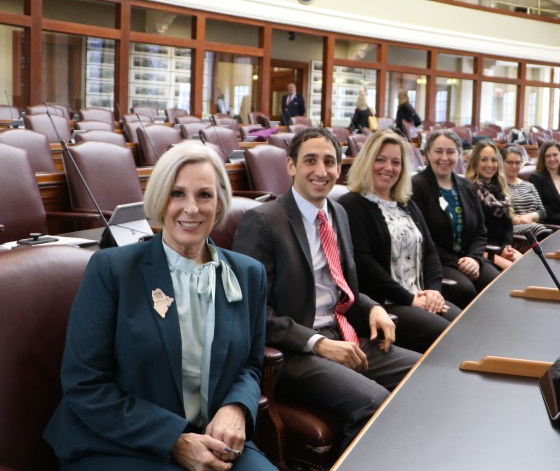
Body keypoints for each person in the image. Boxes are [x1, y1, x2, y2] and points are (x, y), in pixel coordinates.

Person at [44, 141, 274, 471]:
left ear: (220, 201)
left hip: (211, 439)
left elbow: (251, 366)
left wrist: (237, 407)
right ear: (158, 199)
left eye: (204, 195)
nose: (191, 208)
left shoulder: (249, 274)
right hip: (119, 441)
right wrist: (174, 439)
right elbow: (85, 384)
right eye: (177, 193)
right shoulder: (111, 270)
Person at [232, 127, 419, 452]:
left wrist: (372, 306)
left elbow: (343, 289)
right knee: (375, 403)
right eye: (310, 161)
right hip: (291, 353)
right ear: (290, 166)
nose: (321, 171)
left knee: (426, 375)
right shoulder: (262, 221)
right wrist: (317, 344)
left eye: (329, 162)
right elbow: (253, 313)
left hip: (344, 335)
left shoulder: (337, 213)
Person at [339, 130, 460, 353]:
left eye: (396, 162)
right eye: (381, 160)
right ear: (367, 161)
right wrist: (410, 299)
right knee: (448, 336)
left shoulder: (406, 202)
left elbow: (430, 251)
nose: (389, 168)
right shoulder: (352, 204)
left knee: (465, 323)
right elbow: (364, 265)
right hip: (386, 304)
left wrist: (433, 291)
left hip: (419, 296)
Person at [411, 129, 498, 309]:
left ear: (459, 154)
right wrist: (458, 263)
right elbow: (421, 238)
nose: (444, 157)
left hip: (469, 258)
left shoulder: (467, 186)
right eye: (438, 151)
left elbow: (480, 231)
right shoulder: (416, 186)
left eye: (450, 152)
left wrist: (474, 258)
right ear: (427, 154)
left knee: (498, 282)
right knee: (464, 289)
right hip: (438, 261)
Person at [465, 140, 522, 270]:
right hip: (481, 250)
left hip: (499, 248)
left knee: (527, 265)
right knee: (514, 271)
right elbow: (472, 232)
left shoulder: (500, 189)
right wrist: (498, 252)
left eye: (494, 160)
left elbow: (508, 224)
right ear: (475, 162)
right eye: (484, 160)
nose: (490, 165)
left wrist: (506, 246)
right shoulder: (469, 189)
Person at [501, 144, 554, 242]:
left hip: (534, 227)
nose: (514, 166)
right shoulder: (498, 186)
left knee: (542, 232)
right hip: (512, 232)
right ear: (502, 163)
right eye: (510, 162)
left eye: (517, 163)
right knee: (542, 233)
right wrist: (521, 221)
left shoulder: (529, 185)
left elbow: (542, 212)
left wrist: (530, 217)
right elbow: (502, 215)